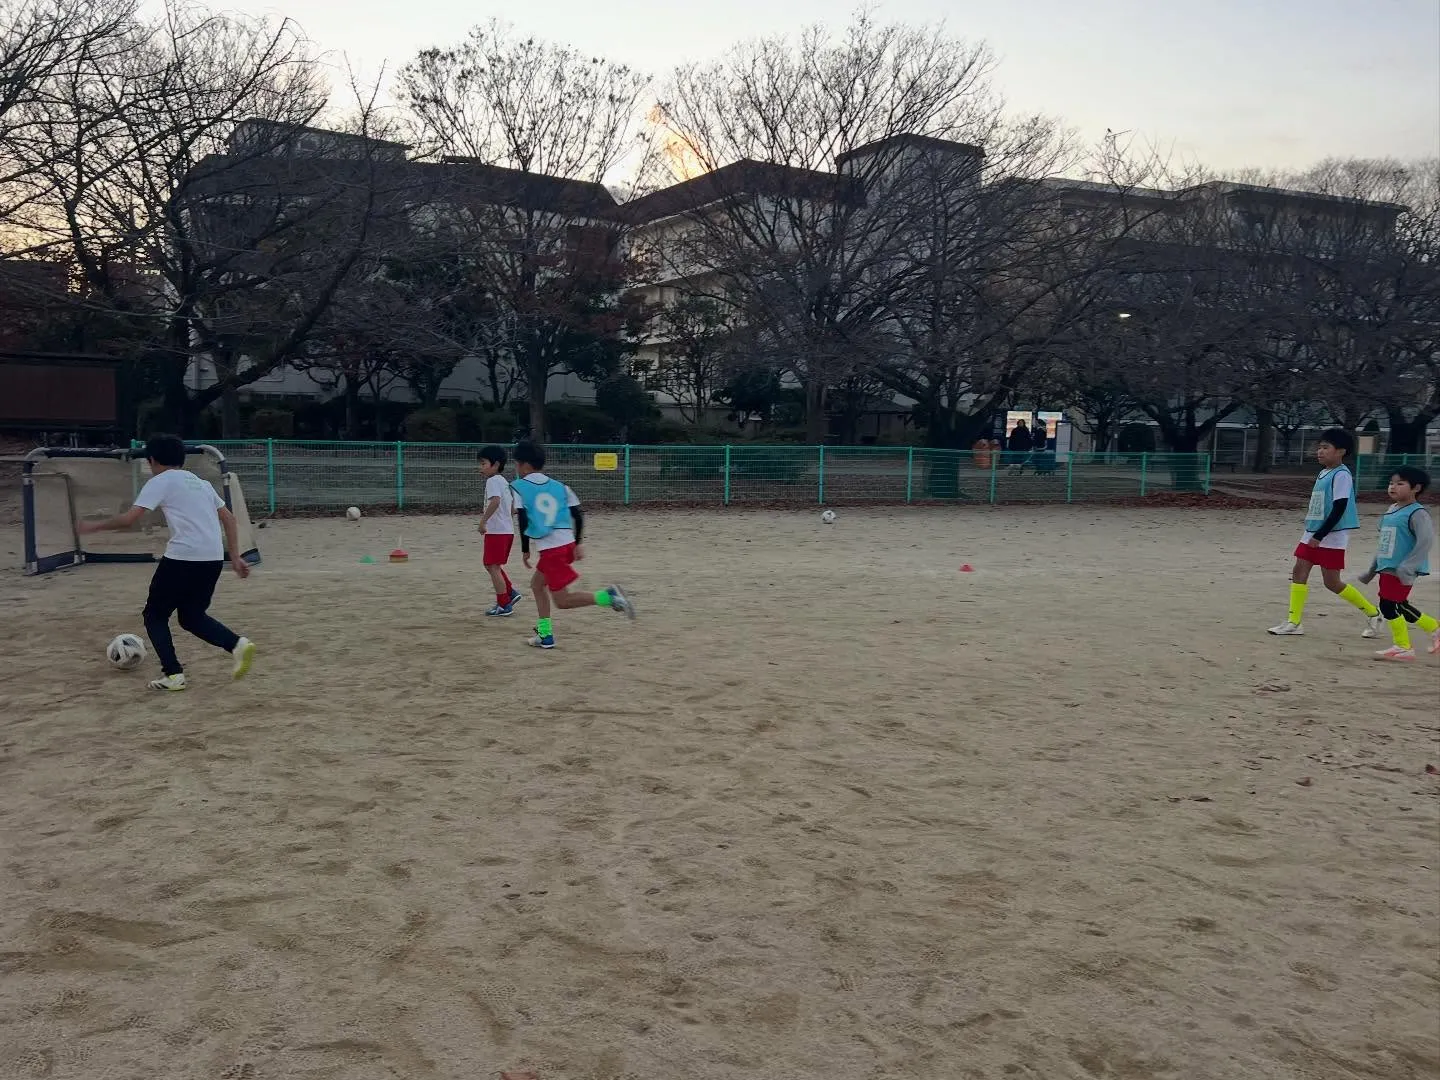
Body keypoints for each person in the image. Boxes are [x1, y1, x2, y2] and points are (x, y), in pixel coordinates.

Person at [78, 434, 255, 691]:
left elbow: (130, 520)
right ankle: (238, 645)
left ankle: (173, 674)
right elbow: (229, 519)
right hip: (212, 557)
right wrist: (236, 556)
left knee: (154, 615)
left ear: (152, 460)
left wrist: (93, 527)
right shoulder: (201, 483)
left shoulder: (160, 480)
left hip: (183, 556)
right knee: (191, 617)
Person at [510, 440, 634, 649]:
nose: (516, 468)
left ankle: (608, 597)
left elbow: (522, 519)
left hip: (552, 551)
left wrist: (524, 550)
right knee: (537, 585)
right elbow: (578, 514)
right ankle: (545, 635)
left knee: (562, 600)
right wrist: (577, 543)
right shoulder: (561, 487)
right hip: (565, 544)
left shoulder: (520, 488)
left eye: (517, 464)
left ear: (525, 465)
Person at [1268, 427, 1382, 637]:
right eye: (1319, 447)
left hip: (1332, 534)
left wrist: (1320, 536)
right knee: (1298, 571)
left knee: (1332, 582)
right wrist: (1314, 532)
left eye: (1325, 447)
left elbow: (1339, 508)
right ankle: (1294, 622)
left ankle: (1373, 613)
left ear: (1341, 451)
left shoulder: (1342, 475)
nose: (1320, 451)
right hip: (1312, 531)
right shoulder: (1323, 472)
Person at [1356, 465, 1439, 661]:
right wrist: (1371, 570)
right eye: (1391, 483)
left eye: (1400, 483)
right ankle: (1434, 629)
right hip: (1387, 568)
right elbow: (1384, 542)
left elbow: (1426, 541)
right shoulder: (1391, 510)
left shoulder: (1418, 513)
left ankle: (1403, 647)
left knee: (1388, 606)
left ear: (1416, 488)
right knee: (1400, 606)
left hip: (1401, 570)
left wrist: (1408, 566)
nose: (1393, 487)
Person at [477, 445, 522, 617]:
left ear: (495, 464)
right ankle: (509, 592)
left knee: (492, 566)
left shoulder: (493, 481)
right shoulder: (504, 482)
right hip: (506, 530)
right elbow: (512, 508)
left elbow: (495, 502)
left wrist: (483, 521)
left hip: (497, 531)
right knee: (492, 565)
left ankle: (504, 603)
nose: (480, 468)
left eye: (483, 464)